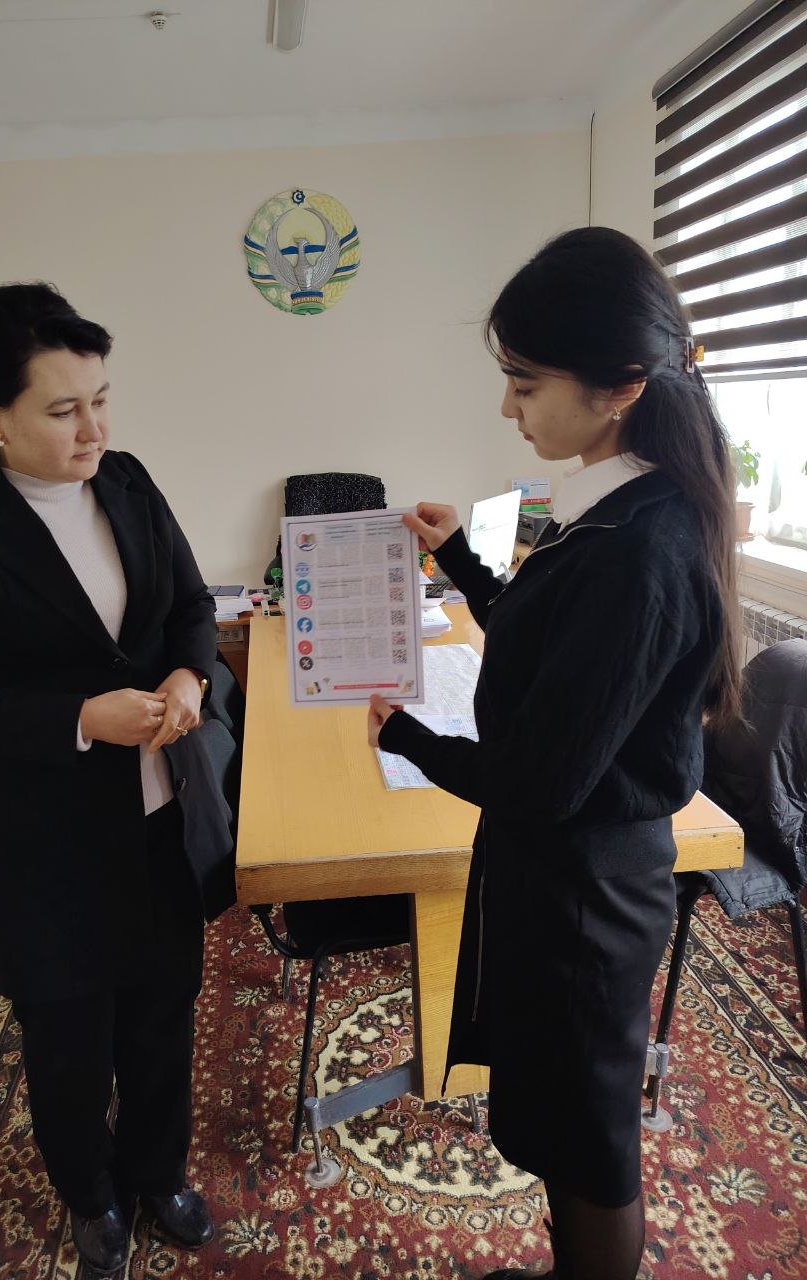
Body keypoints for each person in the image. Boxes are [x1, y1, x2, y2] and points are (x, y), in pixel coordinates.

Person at [368, 227, 741, 1280]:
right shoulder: (615, 509)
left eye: (526, 384)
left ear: (619, 387)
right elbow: (557, 651)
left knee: (591, 1146)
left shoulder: (641, 548)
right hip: (566, 872)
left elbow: (540, 779)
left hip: (587, 893)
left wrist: (407, 735)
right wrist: (460, 558)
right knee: (564, 1113)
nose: (508, 407)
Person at [0, 283, 235, 1275]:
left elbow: (191, 604)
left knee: (163, 1015)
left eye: (102, 399)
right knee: (69, 1038)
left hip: (159, 816)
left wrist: (188, 674)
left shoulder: (125, 480)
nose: (95, 429)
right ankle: (91, 1194)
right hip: (45, 846)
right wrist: (79, 718)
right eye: (64, 409)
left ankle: (157, 1171)